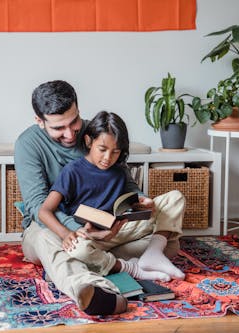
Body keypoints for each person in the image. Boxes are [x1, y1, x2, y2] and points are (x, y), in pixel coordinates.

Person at [15, 80, 185, 316]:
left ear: (78, 108)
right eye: (58, 128)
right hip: (53, 227)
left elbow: (126, 182)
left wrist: (141, 201)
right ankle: (98, 290)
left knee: (170, 237)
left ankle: (110, 259)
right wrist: (79, 232)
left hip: (107, 227)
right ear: (39, 121)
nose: (70, 133)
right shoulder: (28, 144)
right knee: (49, 240)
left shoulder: (96, 131)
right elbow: (38, 207)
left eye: (74, 122)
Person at [39, 111, 177, 282]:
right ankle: (130, 267)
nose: (107, 158)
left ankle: (153, 253)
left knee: (175, 198)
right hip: (93, 236)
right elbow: (44, 211)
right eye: (102, 149)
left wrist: (142, 202)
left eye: (115, 152)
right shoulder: (72, 171)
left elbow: (130, 199)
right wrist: (67, 233)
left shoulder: (119, 171)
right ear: (89, 141)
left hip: (120, 229)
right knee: (78, 250)